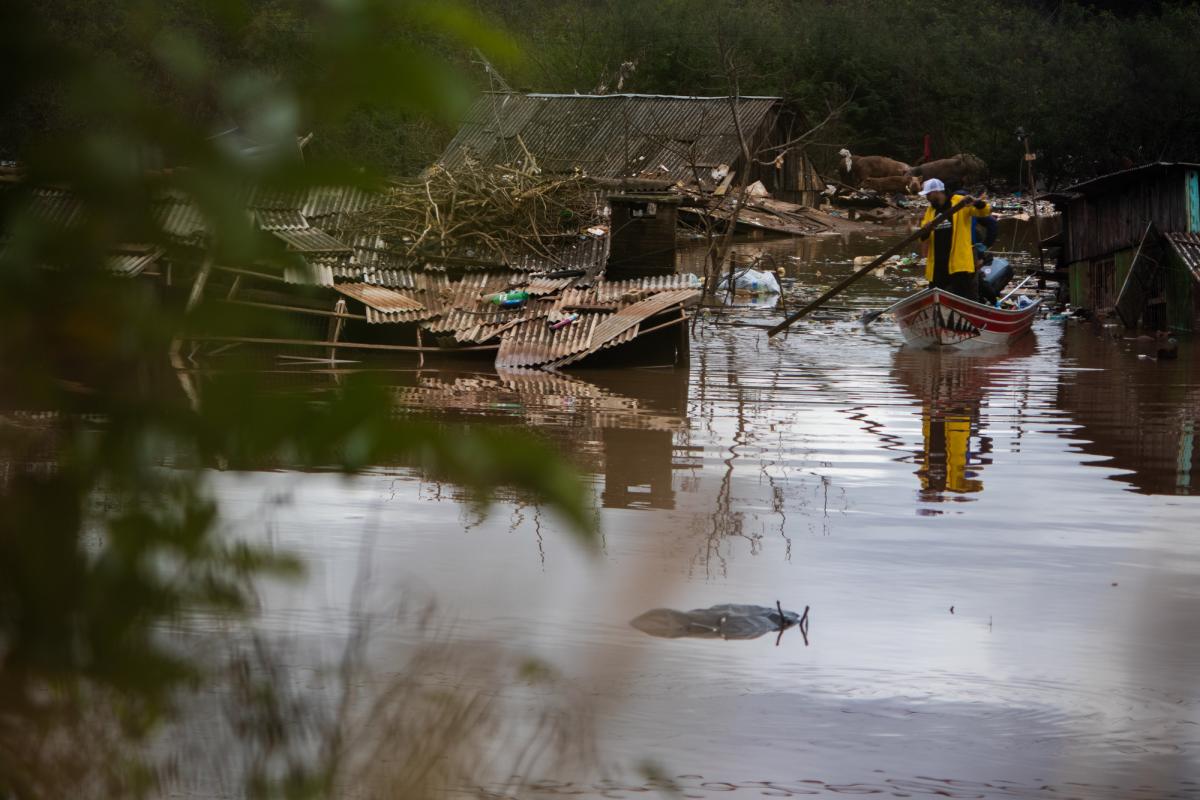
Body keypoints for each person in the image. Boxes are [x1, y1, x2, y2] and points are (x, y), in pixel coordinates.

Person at [917, 178, 992, 301]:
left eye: (928, 194)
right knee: (936, 299)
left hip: (958, 264)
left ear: (937, 192)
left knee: (963, 297)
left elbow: (985, 211)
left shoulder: (960, 202)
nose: (927, 198)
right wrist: (926, 230)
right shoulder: (931, 210)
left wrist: (976, 202)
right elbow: (923, 237)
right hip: (937, 265)